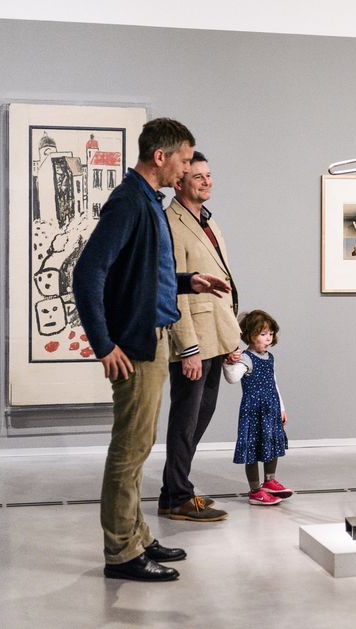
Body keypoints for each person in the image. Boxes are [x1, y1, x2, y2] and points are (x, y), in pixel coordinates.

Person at [73, 118, 231, 582]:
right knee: (130, 448)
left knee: (139, 447)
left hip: (153, 338)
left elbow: (141, 275)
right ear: (160, 157)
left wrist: (189, 281)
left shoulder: (149, 202)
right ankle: (122, 552)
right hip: (136, 345)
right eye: (183, 160)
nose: (187, 170)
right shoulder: (128, 203)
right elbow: (87, 274)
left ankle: (138, 536)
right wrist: (103, 345)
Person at [157, 151, 240, 523]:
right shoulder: (171, 223)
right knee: (185, 421)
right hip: (193, 340)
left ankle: (175, 491)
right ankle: (177, 496)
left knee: (200, 418)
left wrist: (231, 337)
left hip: (216, 334)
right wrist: (187, 348)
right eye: (198, 177)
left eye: (209, 175)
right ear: (179, 183)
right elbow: (172, 290)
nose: (207, 181)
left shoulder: (207, 220)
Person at [223, 309, 293, 505]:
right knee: (252, 449)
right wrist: (228, 362)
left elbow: (274, 383)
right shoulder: (246, 358)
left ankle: (269, 481)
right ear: (250, 336)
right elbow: (232, 378)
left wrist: (281, 407)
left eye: (270, 333)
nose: (268, 338)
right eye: (263, 334)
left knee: (271, 444)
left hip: (270, 409)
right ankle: (255, 491)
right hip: (254, 411)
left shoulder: (270, 357)